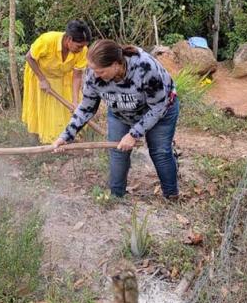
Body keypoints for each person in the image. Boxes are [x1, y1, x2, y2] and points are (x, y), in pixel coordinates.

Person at [52, 39, 179, 199]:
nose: (95, 75)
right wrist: (66, 136)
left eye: (100, 72)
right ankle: (116, 196)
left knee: (160, 152)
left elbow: (158, 107)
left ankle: (171, 195)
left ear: (116, 64)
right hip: (121, 112)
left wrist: (133, 134)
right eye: (93, 70)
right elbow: (86, 108)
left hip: (160, 109)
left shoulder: (145, 68)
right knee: (118, 152)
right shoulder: (93, 73)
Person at [22, 20, 92, 143]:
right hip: (40, 74)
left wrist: (75, 101)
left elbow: (77, 76)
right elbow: (29, 57)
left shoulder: (83, 51)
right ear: (69, 39)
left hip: (63, 77)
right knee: (45, 111)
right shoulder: (47, 40)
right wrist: (42, 79)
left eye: (83, 46)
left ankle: (67, 137)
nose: (81, 50)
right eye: (79, 46)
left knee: (68, 110)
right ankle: (42, 140)